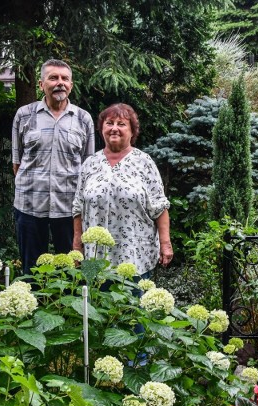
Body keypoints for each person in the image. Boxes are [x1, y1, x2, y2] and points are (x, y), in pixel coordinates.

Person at [12, 59, 95, 275]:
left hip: (69, 208)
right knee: (32, 271)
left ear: (71, 85)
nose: (60, 83)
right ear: (41, 84)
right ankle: (31, 308)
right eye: (53, 78)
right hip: (29, 205)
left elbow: (88, 169)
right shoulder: (24, 115)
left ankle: (69, 308)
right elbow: (17, 163)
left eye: (64, 79)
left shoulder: (83, 119)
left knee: (71, 272)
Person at [72, 103, 173, 278]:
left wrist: (165, 243)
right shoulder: (90, 164)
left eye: (121, 124)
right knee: (96, 303)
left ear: (132, 131)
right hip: (94, 257)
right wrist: (76, 246)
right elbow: (78, 208)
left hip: (135, 256)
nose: (114, 129)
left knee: (132, 304)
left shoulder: (144, 162)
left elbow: (160, 207)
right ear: (101, 129)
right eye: (109, 123)